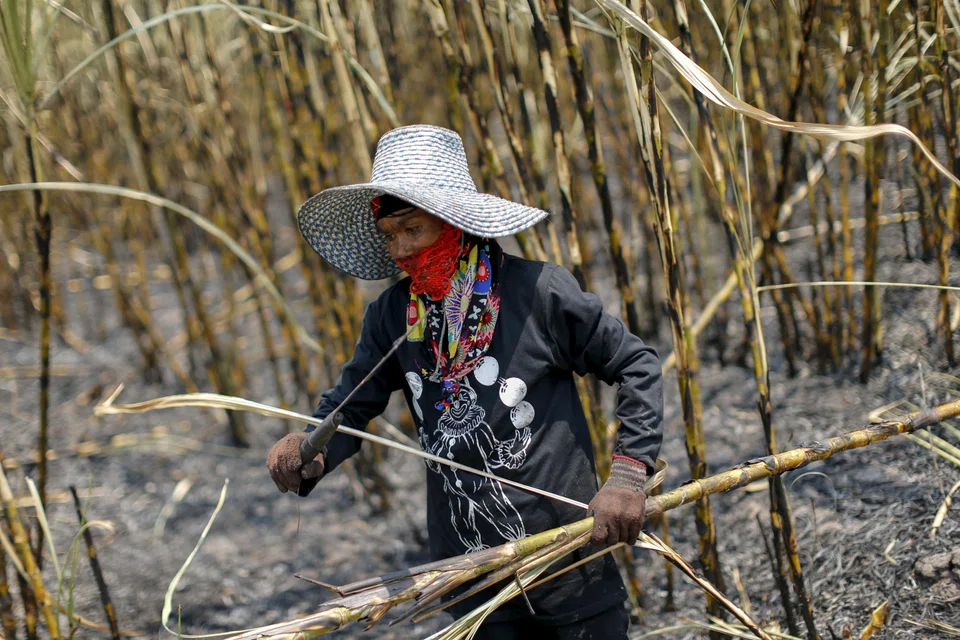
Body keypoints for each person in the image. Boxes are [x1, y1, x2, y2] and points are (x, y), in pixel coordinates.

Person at [266, 125, 663, 639]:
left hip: (570, 558)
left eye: (414, 229)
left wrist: (629, 476)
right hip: (472, 576)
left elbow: (636, 365)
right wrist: (311, 447)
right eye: (390, 237)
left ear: (454, 222)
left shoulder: (538, 292)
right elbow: (350, 405)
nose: (402, 250)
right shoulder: (393, 316)